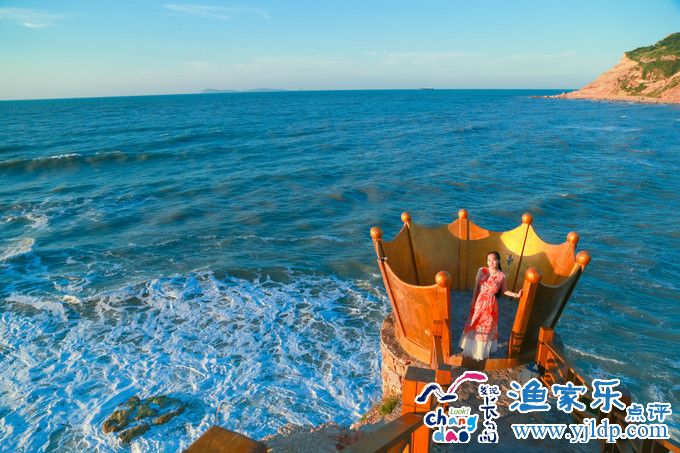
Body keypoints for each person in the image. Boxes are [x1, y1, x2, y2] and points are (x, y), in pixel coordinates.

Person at [459, 251, 522, 361]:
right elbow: (476, 288)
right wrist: (473, 300)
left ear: (499, 261)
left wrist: (516, 295)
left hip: (491, 305)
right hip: (479, 301)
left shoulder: (502, 275)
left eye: (493, 260)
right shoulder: (482, 270)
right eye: (489, 260)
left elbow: (505, 291)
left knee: (486, 327)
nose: (491, 262)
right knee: (474, 323)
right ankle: (471, 349)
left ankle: (480, 352)